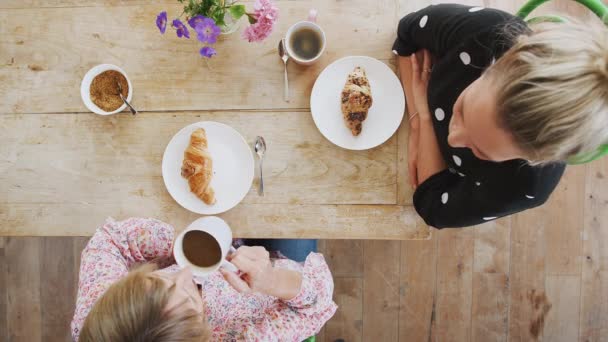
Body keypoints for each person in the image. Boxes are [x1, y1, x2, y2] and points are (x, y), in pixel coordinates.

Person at [394, 4, 608, 228]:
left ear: (536, 159)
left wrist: (425, 121)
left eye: (481, 151)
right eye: (462, 111)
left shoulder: (525, 187)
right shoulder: (482, 32)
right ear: (497, 64)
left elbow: (433, 208)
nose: (452, 139)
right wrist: (416, 122)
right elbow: (408, 32)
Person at [71, 217, 337, 341]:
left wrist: (178, 247)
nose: (184, 272)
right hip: (286, 279)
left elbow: (111, 240)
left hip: (225, 244)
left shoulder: (101, 317)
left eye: (155, 281)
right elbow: (319, 303)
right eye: (189, 297)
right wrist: (271, 280)